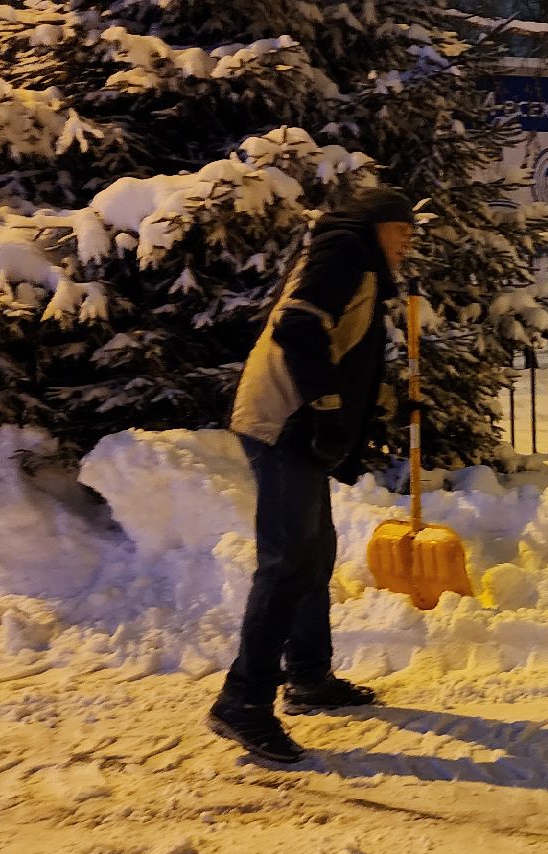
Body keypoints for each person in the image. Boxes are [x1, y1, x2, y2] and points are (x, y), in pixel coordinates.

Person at [207, 186, 417, 763]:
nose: (407, 242)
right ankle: (242, 702)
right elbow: (299, 327)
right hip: (284, 422)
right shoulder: (343, 253)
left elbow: (338, 341)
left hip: (292, 419)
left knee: (314, 552)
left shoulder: (354, 259)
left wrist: (368, 398)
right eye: (402, 230)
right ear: (375, 225)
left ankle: (308, 677)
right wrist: (325, 406)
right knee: (287, 561)